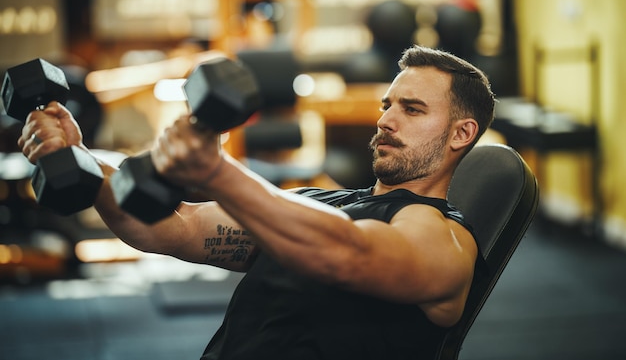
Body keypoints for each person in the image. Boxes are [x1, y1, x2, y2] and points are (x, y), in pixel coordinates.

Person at [19, 45, 496, 360]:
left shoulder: (445, 240)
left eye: (411, 109)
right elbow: (171, 227)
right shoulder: (315, 203)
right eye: (386, 106)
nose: (387, 121)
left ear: (461, 133)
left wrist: (218, 172)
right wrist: (79, 160)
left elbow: (349, 254)